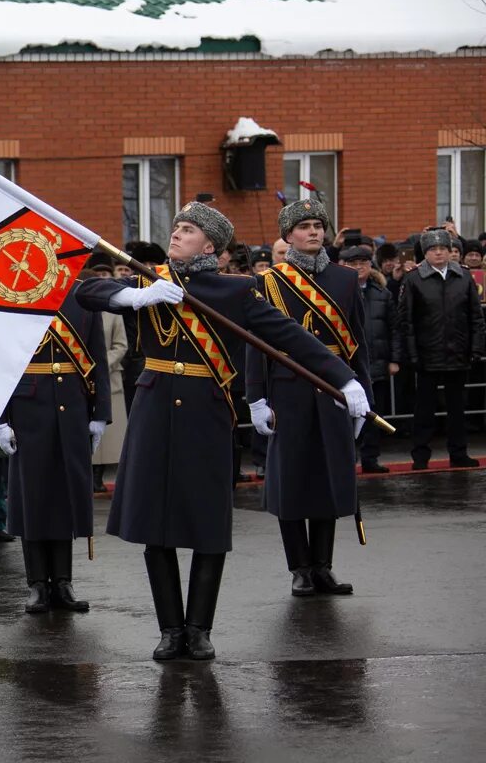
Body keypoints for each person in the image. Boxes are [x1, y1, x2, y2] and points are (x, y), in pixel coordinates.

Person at [78, 201, 366, 661]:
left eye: (188, 229)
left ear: (209, 245)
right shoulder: (149, 281)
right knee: (156, 527)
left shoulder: (235, 291)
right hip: (153, 413)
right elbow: (84, 293)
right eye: (176, 227)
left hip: (206, 414)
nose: (176, 234)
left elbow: (290, 336)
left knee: (208, 525)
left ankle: (199, 629)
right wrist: (130, 298)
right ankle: (170, 630)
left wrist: (344, 379)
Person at [247, 200, 373, 598]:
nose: (314, 232)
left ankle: (323, 566)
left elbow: (358, 344)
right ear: (288, 236)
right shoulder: (268, 282)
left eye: (319, 225)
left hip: (335, 390)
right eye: (304, 226)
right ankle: (299, 568)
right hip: (288, 389)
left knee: (329, 479)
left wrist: (362, 393)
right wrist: (256, 398)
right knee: (291, 482)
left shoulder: (345, 280)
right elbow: (256, 345)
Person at [5, 282, 109, 613]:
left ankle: (63, 582)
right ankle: (37, 583)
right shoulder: (10, 291)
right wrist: (0, 419)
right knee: (32, 496)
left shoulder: (82, 293)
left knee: (65, 494)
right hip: (27, 406)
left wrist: (100, 413)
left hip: (72, 403)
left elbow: (97, 356)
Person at [394, 229, 485, 469]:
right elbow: (407, 321)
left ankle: (459, 453)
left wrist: (475, 348)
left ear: (450, 252)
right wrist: (412, 354)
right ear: (426, 253)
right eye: (434, 250)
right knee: (424, 410)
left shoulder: (464, 277)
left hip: (458, 352)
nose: (439, 253)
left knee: (457, 409)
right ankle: (420, 456)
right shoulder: (414, 279)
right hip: (427, 354)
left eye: (443, 249)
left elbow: (476, 317)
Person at [339, 245, 399, 473]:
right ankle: (347, 459)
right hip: (347, 365)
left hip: (376, 361)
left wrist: (394, 359)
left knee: (374, 412)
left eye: (363, 263)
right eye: (353, 264)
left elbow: (394, 329)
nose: (358, 268)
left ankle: (370, 458)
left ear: (370, 265)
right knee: (347, 415)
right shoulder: (336, 293)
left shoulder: (382, 293)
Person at [89, 271, 128, 493]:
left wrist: (103, 365)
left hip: (110, 375)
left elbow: (121, 345)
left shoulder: (112, 312)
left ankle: (99, 475)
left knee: (110, 435)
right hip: (83, 374)